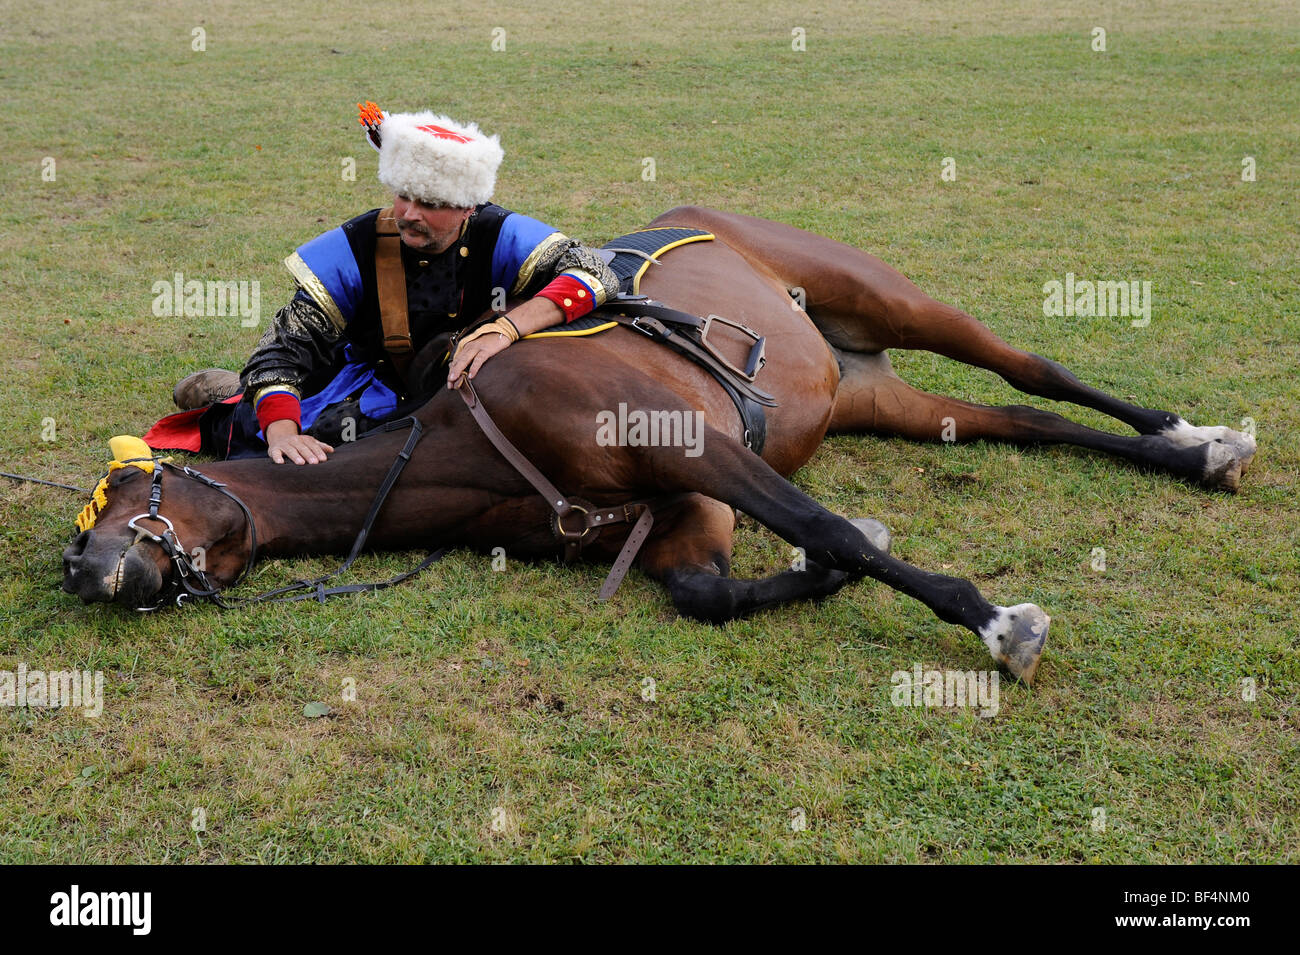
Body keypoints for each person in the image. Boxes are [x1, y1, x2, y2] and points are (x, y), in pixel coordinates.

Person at [171, 103, 619, 464]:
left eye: (430, 202)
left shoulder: (501, 232)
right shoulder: (358, 244)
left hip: (469, 385)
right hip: (373, 383)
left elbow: (596, 272)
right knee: (294, 439)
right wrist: (284, 433)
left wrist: (507, 328)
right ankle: (230, 392)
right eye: (404, 195)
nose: (409, 213)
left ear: (468, 207)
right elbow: (283, 349)